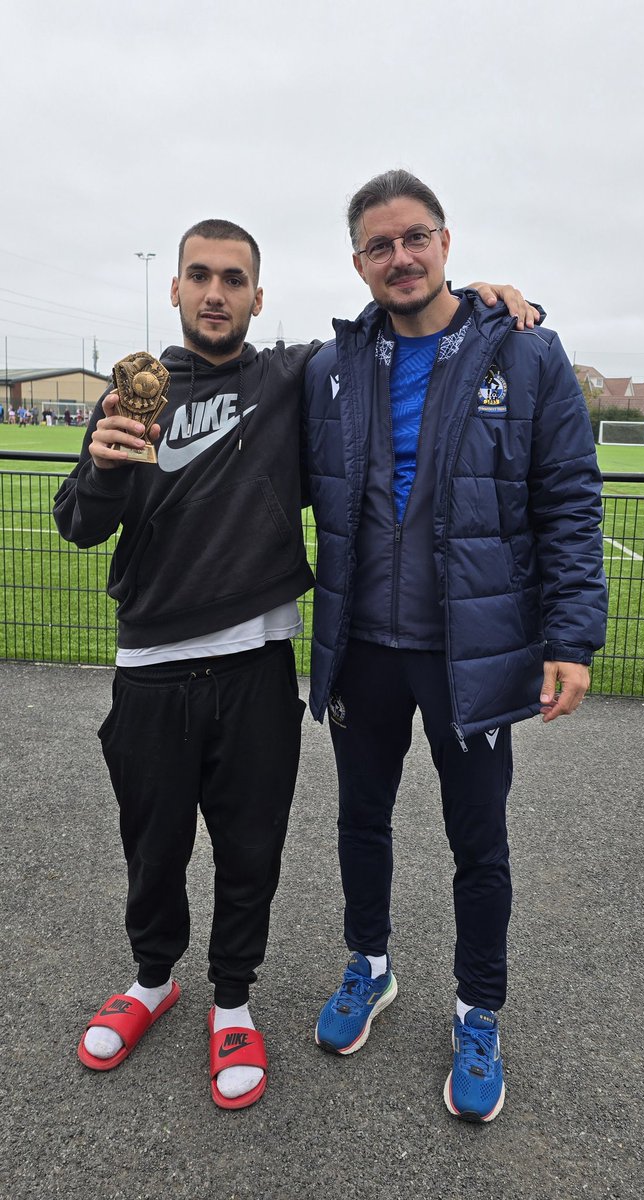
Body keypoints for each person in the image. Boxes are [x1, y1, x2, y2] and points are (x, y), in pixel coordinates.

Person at [53, 214, 536, 1111]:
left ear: (257, 296)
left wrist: (487, 300)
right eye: (198, 276)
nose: (213, 292)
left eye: (232, 279)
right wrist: (103, 468)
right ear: (175, 289)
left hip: (257, 664)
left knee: (249, 853)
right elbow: (79, 525)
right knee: (152, 847)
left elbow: (399, 324)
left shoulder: (292, 376)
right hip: (151, 662)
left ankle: (232, 1000)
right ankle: (153, 981)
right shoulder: (131, 395)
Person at [303, 170, 607, 1123]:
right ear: (357, 261)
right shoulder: (332, 367)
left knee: (479, 842)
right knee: (362, 822)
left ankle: (478, 1011)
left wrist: (571, 637)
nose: (400, 257)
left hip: (469, 654)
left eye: (415, 237)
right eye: (379, 245)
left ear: (446, 241)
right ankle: (372, 967)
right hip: (363, 647)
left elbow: (566, 499)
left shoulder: (523, 353)